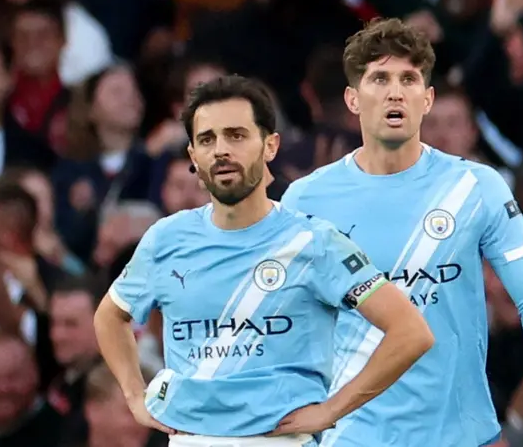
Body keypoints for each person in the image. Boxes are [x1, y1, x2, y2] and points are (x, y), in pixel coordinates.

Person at [93, 75, 434, 447]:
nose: (221, 150)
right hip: (190, 439)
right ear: (193, 156)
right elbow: (110, 315)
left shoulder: (313, 241)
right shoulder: (165, 238)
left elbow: (410, 332)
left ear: (270, 145)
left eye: (236, 135)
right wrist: (134, 395)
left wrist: (332, 410)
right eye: (207, 139)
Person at [281, 18, 523, 447]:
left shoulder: (477, 187)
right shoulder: (306, 199)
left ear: (427, 98)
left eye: (409, 79)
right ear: (352, 99)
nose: (395, 92)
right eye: (379, 79)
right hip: (352, 437)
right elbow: (285, 321)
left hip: (462, 434)